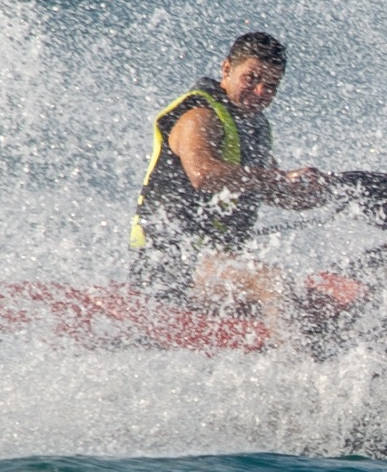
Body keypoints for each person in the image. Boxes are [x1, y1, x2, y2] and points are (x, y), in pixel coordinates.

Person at [134, 31, 332, 303]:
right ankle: (290, 348)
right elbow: (203, 175)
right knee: (273, 283)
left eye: (271, 86)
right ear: (226, 69)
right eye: (251, 78)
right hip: (168, 262)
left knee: (317, 300)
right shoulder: (200, 115)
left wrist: (327, 195)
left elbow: (273, 190)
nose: (261, 91)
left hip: (214, 266)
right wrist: (281, 178)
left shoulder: (253, 127)